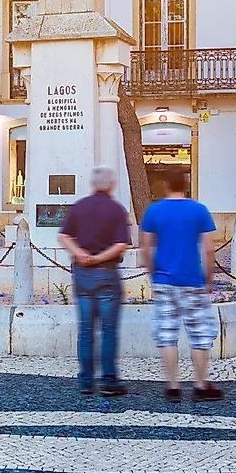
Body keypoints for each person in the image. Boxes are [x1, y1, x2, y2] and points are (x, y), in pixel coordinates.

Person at [140, 167, 222, 404]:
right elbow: (208, 249)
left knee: (167, 333)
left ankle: (173, 384)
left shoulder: (154, 211)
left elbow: (146, 247)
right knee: (199, 335)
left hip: (164, 280)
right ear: (185, 185)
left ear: (166, 185)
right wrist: (209, 277)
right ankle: (199, 383)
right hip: (193, 280)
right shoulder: (199, 210)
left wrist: (152, 273)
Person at [60, 168, 133, 397]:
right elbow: (121, 243)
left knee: (85, 329)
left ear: (92, 183)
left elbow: (63, 236)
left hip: (82, 275)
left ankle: (86, 380)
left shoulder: (79, 206)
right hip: (106, 273)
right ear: (111, 184)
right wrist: (99, 258)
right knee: (108, 330)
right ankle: (109, 380)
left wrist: (80, 254)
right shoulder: (117, 210)